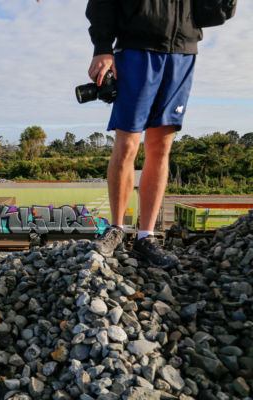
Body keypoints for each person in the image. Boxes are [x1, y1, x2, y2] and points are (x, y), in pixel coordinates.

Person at [87, 0, 202, 267]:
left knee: (161, 147)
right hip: (136, 48)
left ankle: (146, 236)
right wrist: (102, 47)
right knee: (128, 144)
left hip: (182, 49)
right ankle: (117, 228)